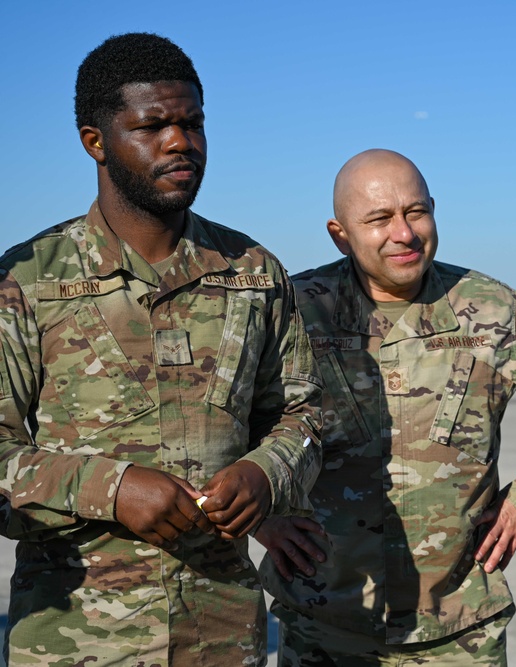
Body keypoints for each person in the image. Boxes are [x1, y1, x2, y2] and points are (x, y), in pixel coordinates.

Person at [0, 33, 322, 666]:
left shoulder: (253, 271)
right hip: (77, 641)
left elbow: (304, 414)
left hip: (223, 635)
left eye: (193, 123)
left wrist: (266, 473)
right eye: (154, 126)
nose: (181, 143)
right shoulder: (25, 281)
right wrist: (110, 488)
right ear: (96, 141)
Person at [255, 148, 516, 665]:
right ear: (340, 234)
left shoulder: (492, 308)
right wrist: (259, 514)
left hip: (459, 628)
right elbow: (221, 413)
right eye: (379, 219)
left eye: (416, 211)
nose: (403, 233)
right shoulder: (293, 311)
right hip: (322, 622)